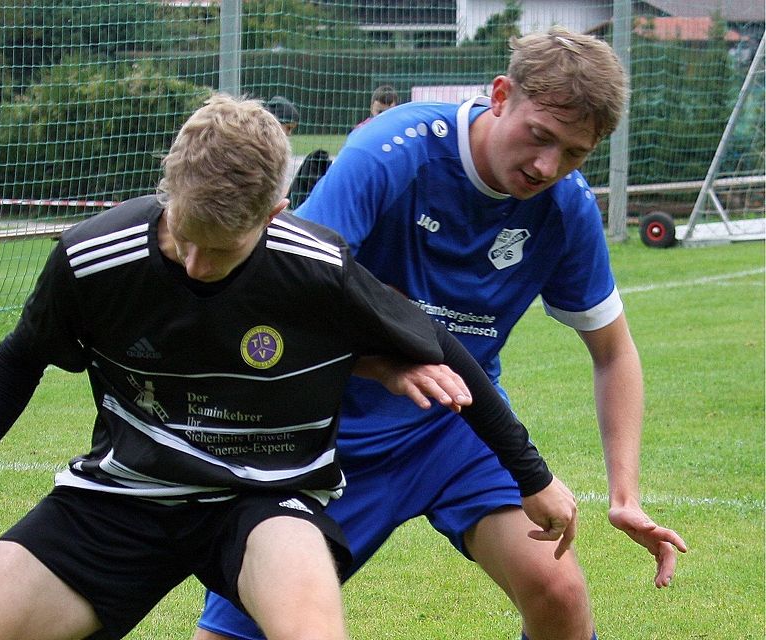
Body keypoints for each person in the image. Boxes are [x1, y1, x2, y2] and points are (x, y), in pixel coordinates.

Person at [0, 93, 578, 640]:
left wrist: (534, 478)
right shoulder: (94, 258)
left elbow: (445, 348)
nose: (196, 268)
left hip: (267, 499)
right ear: (169, 189)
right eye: (186, 240)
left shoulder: (315, 266)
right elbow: (18, 360)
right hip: (126, 497)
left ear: (275, 214)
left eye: (222, 252)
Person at [195, 28, 688, 640]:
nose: (547, 167)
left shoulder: (566, 206)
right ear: (501, 95)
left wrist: (625, 493)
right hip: (329, 436)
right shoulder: (389, 154)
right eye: (540, 137)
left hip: (456, 427)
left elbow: (614, 353)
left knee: (557, 590)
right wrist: (382, 364)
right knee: (235, 633)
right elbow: (284, 296)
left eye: (574, 154)